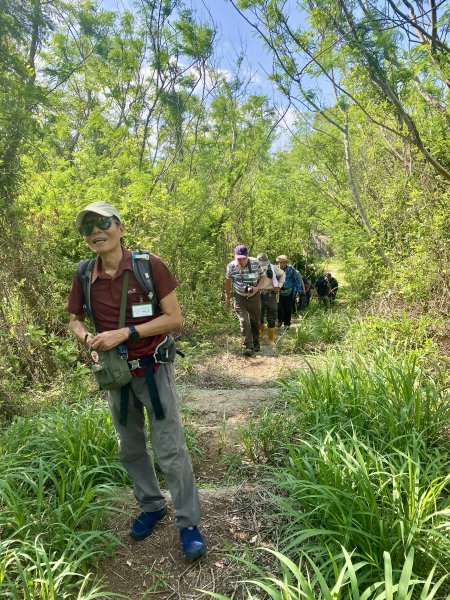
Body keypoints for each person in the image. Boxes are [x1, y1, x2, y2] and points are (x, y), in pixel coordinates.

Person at [66, 201, 205, 561]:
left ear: (120, 227)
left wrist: (125, 333)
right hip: (115, 375)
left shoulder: (149, 265)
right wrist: (87, 339)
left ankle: (189, 523)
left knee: (170, 447)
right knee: (129, 446)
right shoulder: (84, 274)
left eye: (102, 223)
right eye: (88, 228)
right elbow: (74, 320)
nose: (96, 231)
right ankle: (152, 504)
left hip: (154, 368)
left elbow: (174, 318)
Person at [225, 244, 266, 356]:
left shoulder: (255, 263)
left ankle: (256, 342)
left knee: (255, 320)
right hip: (239, 296)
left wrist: (257, 288)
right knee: (244, 321)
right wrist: (227, 297)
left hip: (254, 295)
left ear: (247, 256)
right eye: (239, 259)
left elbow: (263, 276)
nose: (241, 261)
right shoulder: (231, 266)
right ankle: (248, 346)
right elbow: (228, 281)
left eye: (243, 259)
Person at [256, 252, 285, 345]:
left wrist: (279, 286)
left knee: (272, 315)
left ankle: (271, 339)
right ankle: (260, 334)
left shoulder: (272, 267)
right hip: (258, 294)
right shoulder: (253, 268)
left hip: (270, 294)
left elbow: (283, 274)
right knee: (258, 315)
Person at [275, 255, 301, 329]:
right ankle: (279, 320)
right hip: (279, 291)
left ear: (286, 262)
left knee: (287, 308)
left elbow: (297, 280)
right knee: (278, 307)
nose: (282, 264)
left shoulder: (291, 270)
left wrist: (298, 291)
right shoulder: (275, 269)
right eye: (280, 262)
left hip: (289, 292)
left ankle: (287, 324)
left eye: (283, 262)